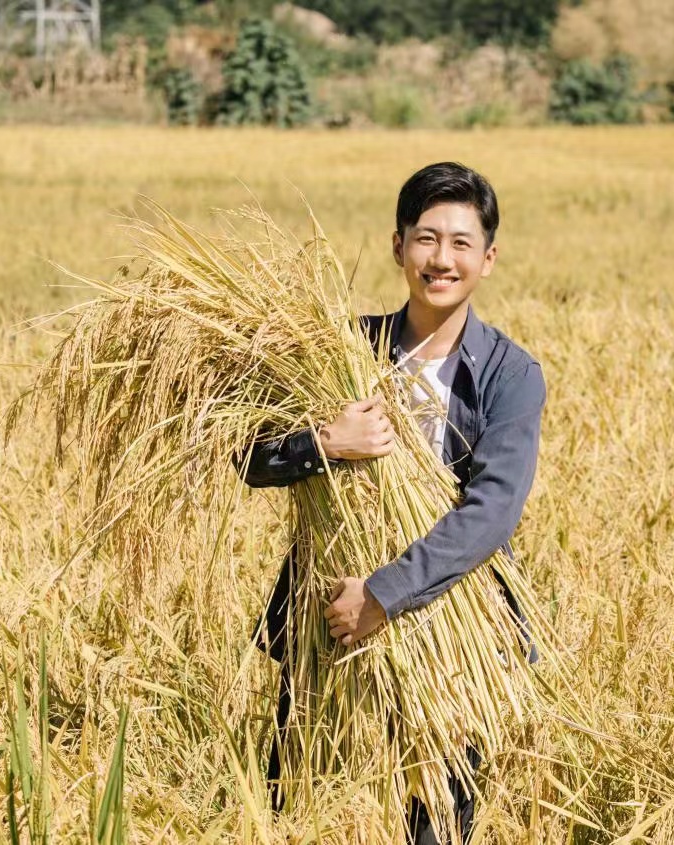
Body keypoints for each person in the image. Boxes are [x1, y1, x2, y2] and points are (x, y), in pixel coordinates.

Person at [238, 161, 547, 844]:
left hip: (448, 624)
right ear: (398, 246)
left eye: (461, 243)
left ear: (488, 259)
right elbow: (248, 457)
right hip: (327, 621)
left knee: (434, 824)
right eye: (426, 238)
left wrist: (381, 595)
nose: (442, 259)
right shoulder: (340, 351)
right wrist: (324, 442)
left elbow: (491, 511)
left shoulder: (510, 374)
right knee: (297, 809)